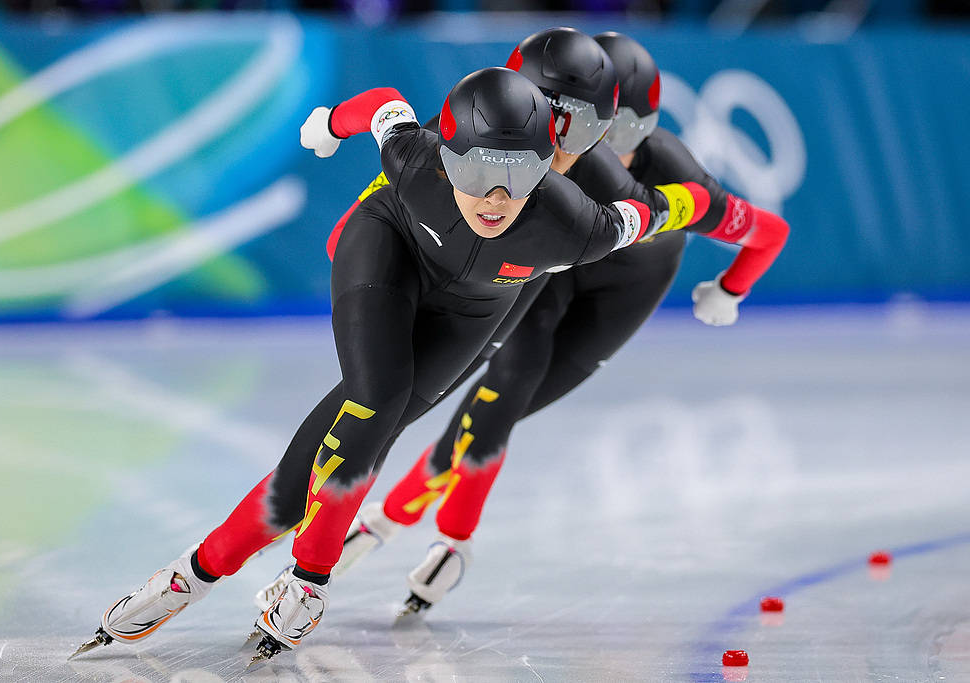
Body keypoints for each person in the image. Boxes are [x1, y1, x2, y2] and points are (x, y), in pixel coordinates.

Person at [72, 64, 711, 662]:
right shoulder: (415, 159)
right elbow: (383, 106)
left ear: (545, 168)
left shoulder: (580, 227)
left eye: (518, 175)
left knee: (352, 439)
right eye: (476, 172)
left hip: (472, 309)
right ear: (447, 158)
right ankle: (309, 578)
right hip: (387, 252)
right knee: (377, 395)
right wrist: (328, 124)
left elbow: (675, 208)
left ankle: (195, 572)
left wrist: (721, 216)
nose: (494, 197)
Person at [259, 30, 790, 617]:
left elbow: (764, 230)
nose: (585, 149)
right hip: (546, 265)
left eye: (617, 133)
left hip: (619, 289)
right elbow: (401, 176)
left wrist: (731, 288)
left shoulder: (638, 177)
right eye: (574, 128)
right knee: (495, 388)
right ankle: (399, 527)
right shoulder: (516, 148)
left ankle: (406, 523)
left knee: (495, 404)